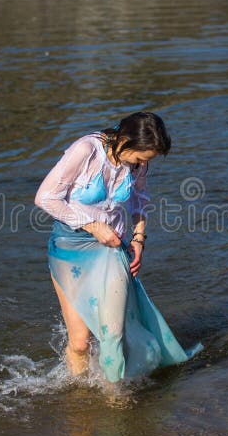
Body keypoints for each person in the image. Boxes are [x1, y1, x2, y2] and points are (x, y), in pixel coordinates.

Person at [35, 111, 201, 383]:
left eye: (147, 160)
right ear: (123, 140)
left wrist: (138, 238)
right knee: (79, 343)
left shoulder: (138, 164)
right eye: (140, 158)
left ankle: (115, 397)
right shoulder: (87, 150)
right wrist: (93, 225)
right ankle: (80, 395)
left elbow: (139, 199)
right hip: (69, 246)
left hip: (111, 248)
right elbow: (45, 197)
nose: (142, 164)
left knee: (113, 334)